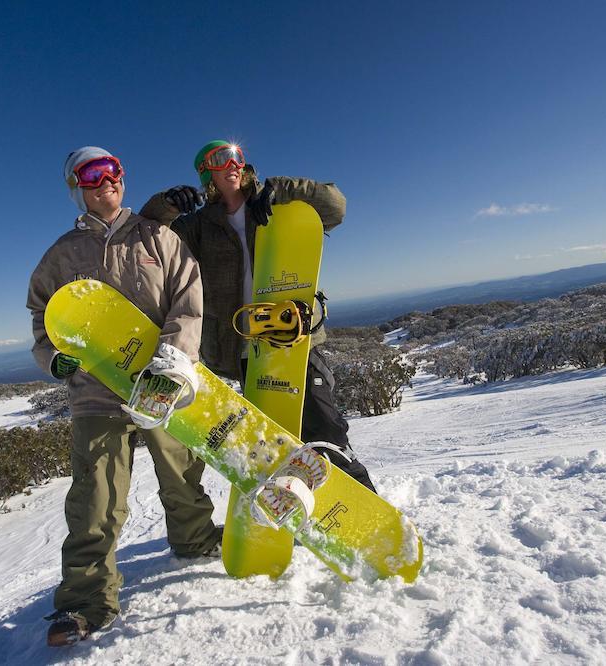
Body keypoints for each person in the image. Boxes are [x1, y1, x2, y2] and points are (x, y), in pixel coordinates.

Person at [28, 146, 221, 647]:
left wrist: (173, 362)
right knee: (95, 498)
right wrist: (52, 357)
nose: (104, 181)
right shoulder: (61, 254)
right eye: (90, 175)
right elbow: (43, 317)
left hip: (160, 380)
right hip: (96, 391)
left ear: (122, 178)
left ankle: (195, 540)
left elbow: (188, 298)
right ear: (76, 186)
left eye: (111, 171)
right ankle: (86, 601)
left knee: (181, 474)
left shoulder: (158, 237)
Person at [141, 141, 376, 492]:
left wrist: (281, 189)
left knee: (326, 429)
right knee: (276, 440)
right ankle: (294, 509)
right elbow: (147, 235)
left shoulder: (274, 201)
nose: (233, 163)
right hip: (243, 348)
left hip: (294, 338)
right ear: (207, 173)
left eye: (237, 155)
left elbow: (335, 205)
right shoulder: (198, 227)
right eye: (221, 158)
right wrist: (167, 204)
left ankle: (360, 506)